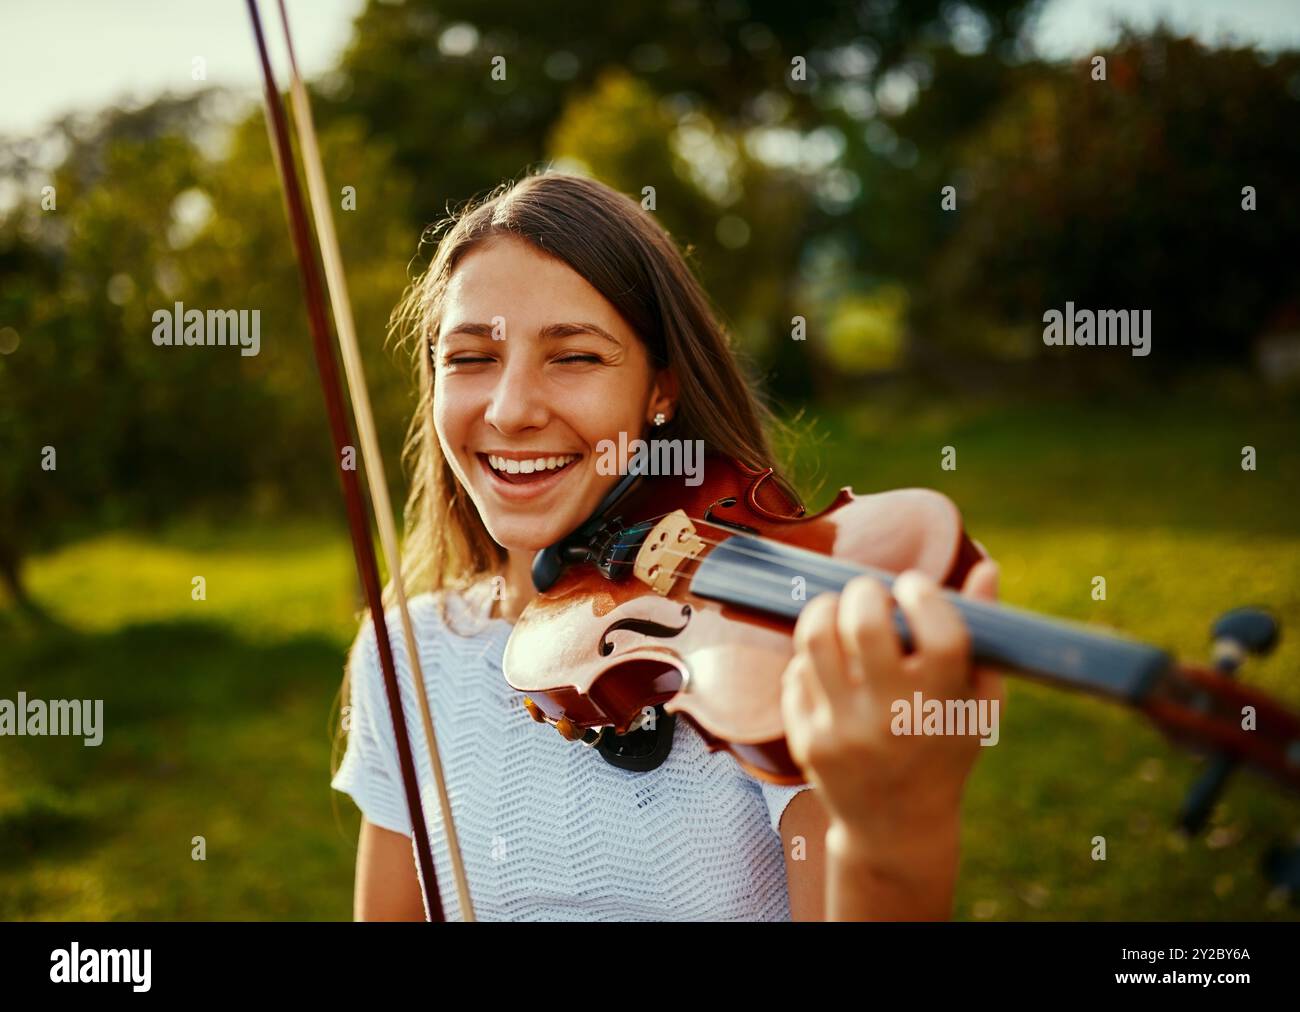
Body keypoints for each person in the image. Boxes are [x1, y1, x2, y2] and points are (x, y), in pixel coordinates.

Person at [330, 170, 1001, 921]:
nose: (511, 408)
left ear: (661, 390)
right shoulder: (407, 657)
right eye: (470, 358)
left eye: (575, 356)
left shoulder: (770, 657)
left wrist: (900, 832)